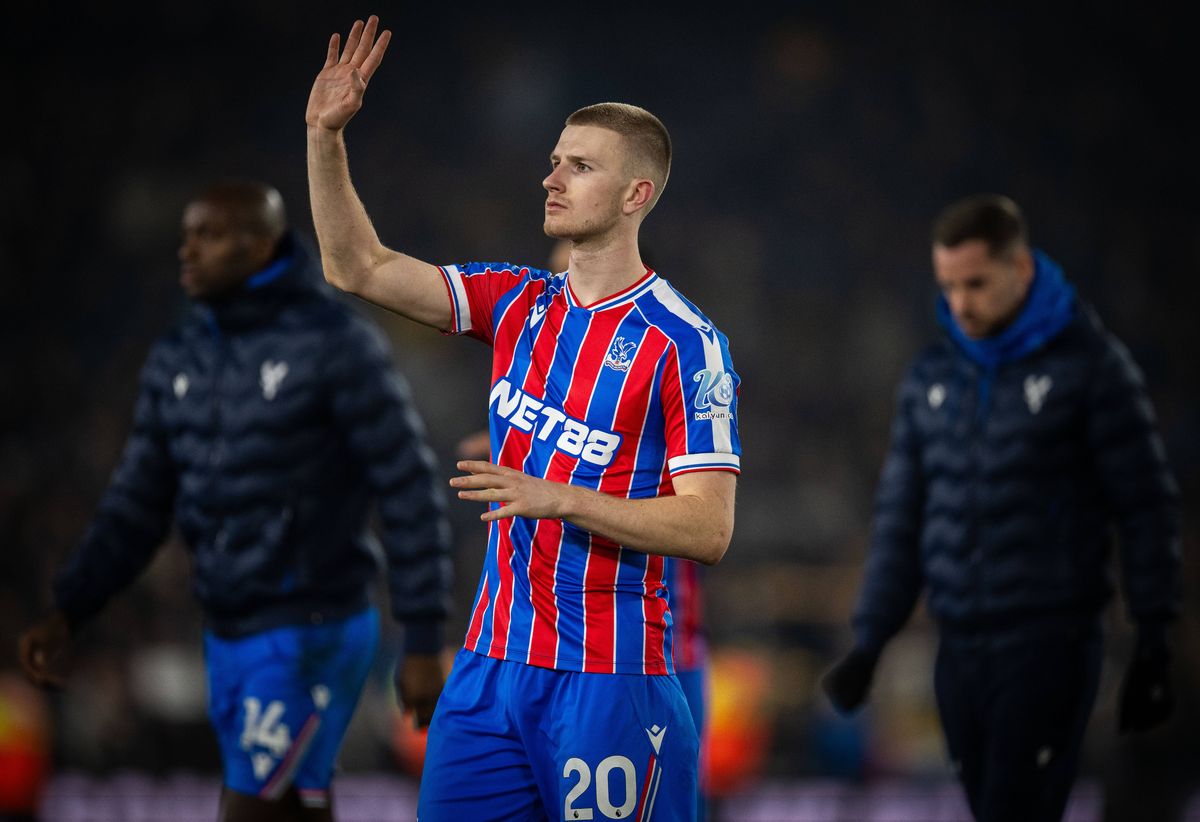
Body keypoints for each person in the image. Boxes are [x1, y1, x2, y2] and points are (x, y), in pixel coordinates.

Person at [305, 16, 740, 821]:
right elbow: (354, 265)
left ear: (637, 195)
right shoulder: (518, 301)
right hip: (489, 670)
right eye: (553, 162)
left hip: (613, 682)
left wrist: (563, 496)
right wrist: (324, 136)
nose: (553, 178)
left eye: (580, 166)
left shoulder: (686, 346)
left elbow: (709, 530)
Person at [18, 181, 453, 822]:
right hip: (227, 625)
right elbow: (138, 500)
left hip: (313, 620)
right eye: (186, 235)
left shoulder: (335, 345)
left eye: (210, 236)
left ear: (259, 247)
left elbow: (408, 483)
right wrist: (71, 607)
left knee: (251, 807)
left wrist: (421, 636)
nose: (188, 251)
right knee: (298, 804)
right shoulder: (180, 356)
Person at [821, 194, 1181, 822]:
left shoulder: (1090, 371)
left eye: (976, 284)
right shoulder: (931, 378)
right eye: (949, 286)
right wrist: (870, 642)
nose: (960, 304)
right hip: (958, 648)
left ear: (1021, 270)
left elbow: (1145, 505)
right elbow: (902, 520)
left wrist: (1155, 638)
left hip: (1050, 641)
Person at [454, 239, 716, 819]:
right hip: (521, 653)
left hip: (647, 651)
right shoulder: (538, 370)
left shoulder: (672, 352)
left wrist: (565, 486)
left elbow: (704, 520)